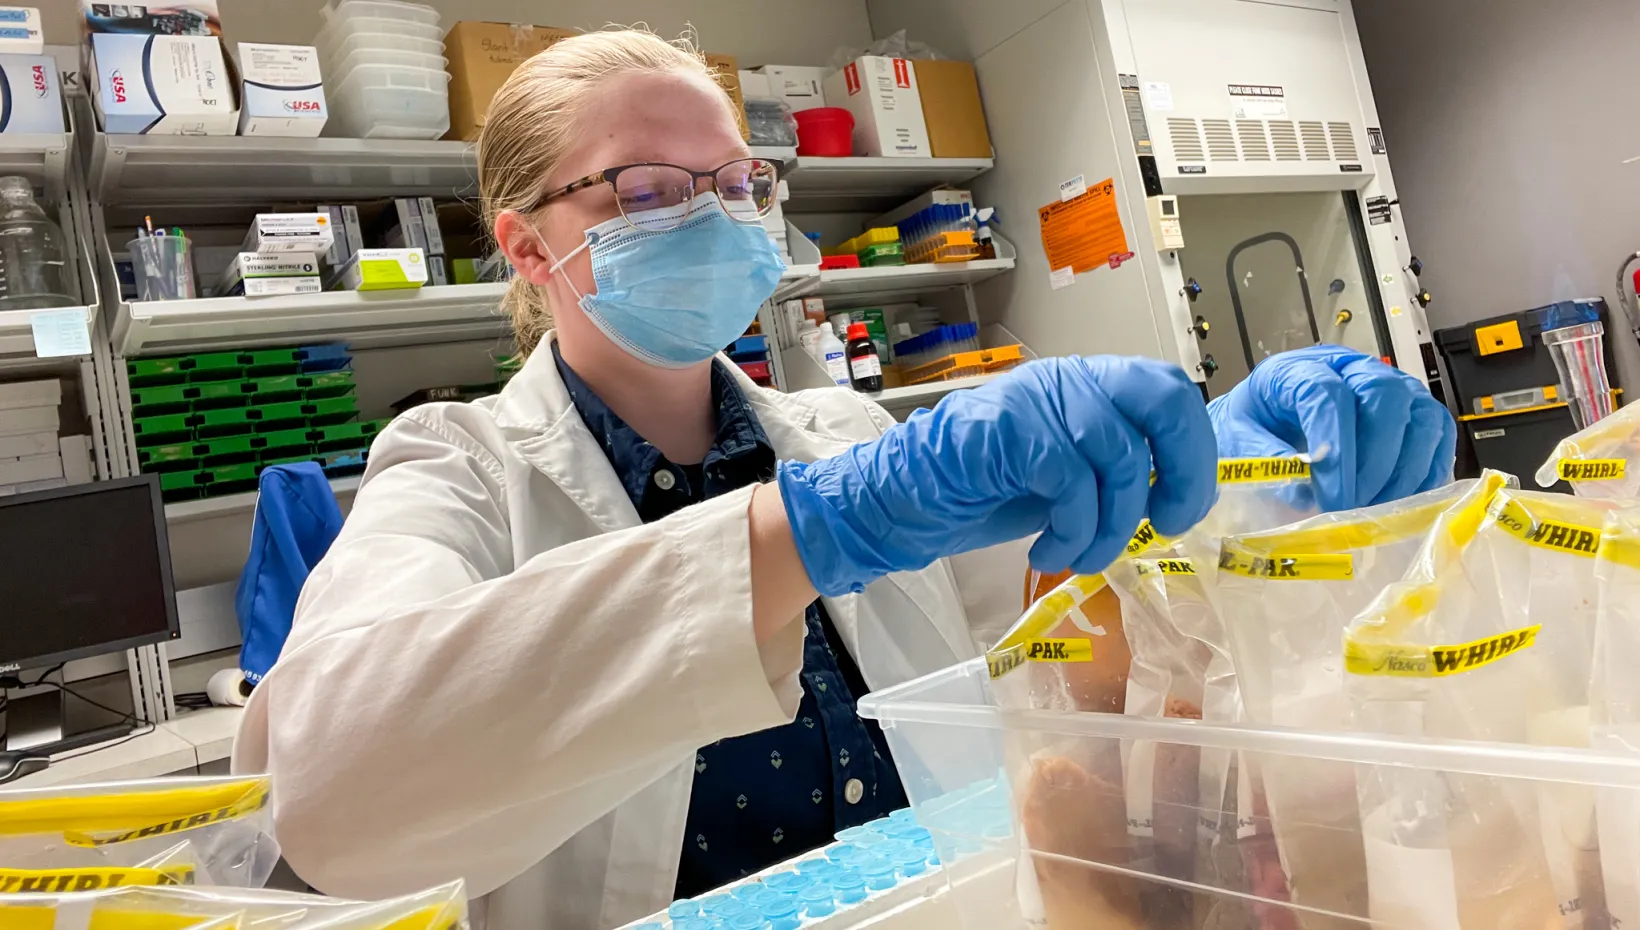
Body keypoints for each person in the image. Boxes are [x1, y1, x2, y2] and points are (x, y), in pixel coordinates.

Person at [232, 28, 1456, 930]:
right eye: (649, 191)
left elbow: (1091, 616)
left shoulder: (844, 431)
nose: (714, 219)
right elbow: (333, 799)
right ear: (527, 244)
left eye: (735, 187)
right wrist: (810, 534)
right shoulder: (453, 468)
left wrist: (1239, 457)